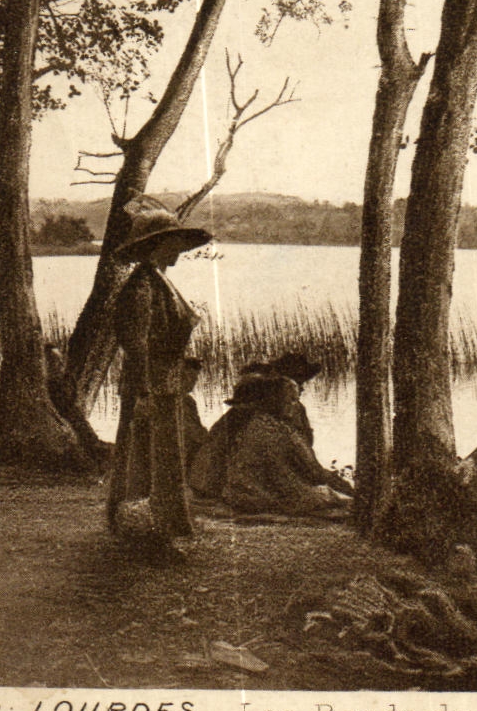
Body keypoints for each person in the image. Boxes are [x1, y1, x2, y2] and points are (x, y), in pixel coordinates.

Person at [108, 196, 213, 543]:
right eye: (173, 244)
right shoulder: (141, 287)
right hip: (151, 385)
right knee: (146, 458)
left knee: (164, 459)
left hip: (164, 384)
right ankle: (147, 529)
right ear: (154, 247)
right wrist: (143, 394)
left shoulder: (158, 282)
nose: (178, 251)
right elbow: (136, 345)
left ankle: (164, 525)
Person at [190, 354, 351, 515]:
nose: (302, 389)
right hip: (241, 492)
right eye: (298, 384)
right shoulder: (278, 426)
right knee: (327, 495)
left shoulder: (247, 421)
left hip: (225, 489)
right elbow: (307, 468)